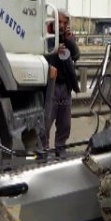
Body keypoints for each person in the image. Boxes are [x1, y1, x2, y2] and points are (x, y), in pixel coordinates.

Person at [42, 11, 80, 153]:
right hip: (50, 87)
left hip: (65, 87)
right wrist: (54, 50)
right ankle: (43, 152)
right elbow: (41, 56)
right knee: (46, 122)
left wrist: (70, 40)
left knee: (64, 123)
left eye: (65, 22)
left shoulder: (68, 38)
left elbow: (76, 55)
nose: (62, 25)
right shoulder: (47, 36)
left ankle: (60, 150)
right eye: (60, 22)